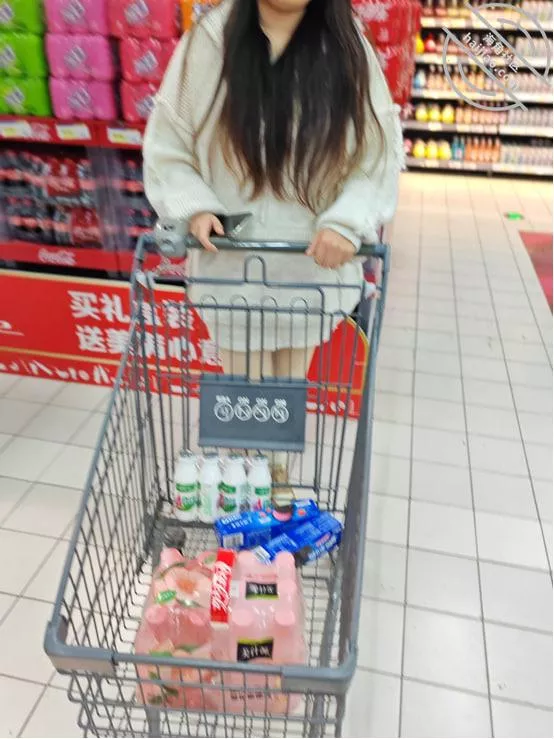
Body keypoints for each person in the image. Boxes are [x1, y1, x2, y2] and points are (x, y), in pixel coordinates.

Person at [143, 0, 403, 489]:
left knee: (289, 384)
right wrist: (195, 206)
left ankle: (272, 479)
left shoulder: (347, 46)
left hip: (310, 267)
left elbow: (377, 155)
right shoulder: (211, 41)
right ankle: (255, 483)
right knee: (243, 383)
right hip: (231, 265)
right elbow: (168, 143)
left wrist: (346, 223)